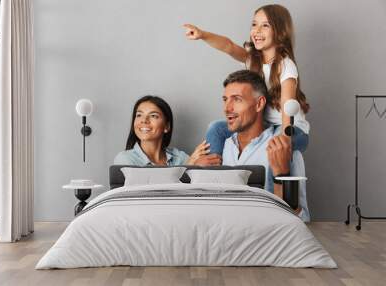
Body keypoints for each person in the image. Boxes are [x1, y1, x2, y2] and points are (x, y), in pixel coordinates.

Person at [183, 4, 310, 155]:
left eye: (265, 25)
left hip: (292, 130)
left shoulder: (286, 65)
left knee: (271, 144)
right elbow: (228, 46)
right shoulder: (252, 61)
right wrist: (202, 35)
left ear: (280, 31)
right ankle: (215, 175)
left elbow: (287, 105)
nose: (257, 30)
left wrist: (283, 137)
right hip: (265, 127)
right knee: (216, 128)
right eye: (254, 24)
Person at [220, 70, 309, 221]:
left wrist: (282, 174)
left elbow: (301, 219)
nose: (227, 108)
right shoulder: (226, 146)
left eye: (237, 99)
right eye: (225, 99)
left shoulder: (285, 148)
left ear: (259, 104)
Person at [114, 95, 221, 166]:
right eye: (139, 115)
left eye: (153, 116)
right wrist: (190, 167)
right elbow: (148, 194)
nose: (144, 120)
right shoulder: (124, 160)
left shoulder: (180, 157)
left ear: (167, 126)